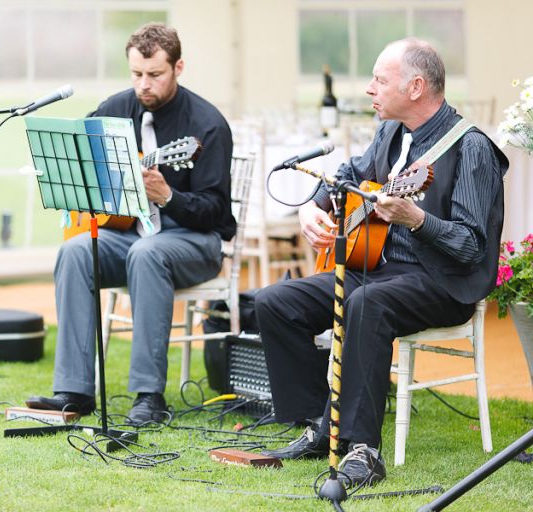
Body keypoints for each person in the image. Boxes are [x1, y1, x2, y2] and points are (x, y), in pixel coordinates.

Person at [256, 38, 507, 486]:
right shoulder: (392, 132)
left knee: (367, 303)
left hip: (444, 281)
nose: (369, 89)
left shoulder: (472, 149)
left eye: (379, 79)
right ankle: (321, 425)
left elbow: (471, 247)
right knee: (276, 301)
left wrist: (417, 219)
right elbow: (349, 175)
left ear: (415, 87)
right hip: (381, 269)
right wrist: (314, 205)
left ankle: (361, 451)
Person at [27, 23, 235, 425]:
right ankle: (73, 392)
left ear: (178, 67)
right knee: (74, 252)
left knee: (148, 253)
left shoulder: (208, 124)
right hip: (129, 236)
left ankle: (149, 396)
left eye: (155, 75)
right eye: (137, 74)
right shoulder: (116, 108)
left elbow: (216, 214)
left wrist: (169, 196)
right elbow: (80, 155)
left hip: (194, 242)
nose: (144, 85)